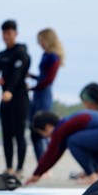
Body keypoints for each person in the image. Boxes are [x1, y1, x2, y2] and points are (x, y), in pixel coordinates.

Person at [24, 110, 98, 186]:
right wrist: (39, 173)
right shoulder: (70, 119)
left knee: (72, 141)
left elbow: (53, 152)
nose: (47, 137)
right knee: (90, 143)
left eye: (43, 133)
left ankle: (92, 176)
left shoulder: (61, 128)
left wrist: (37, 173)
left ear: (47, 126)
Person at [0, 19, 32, 177]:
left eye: (9, 33)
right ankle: (9, 167)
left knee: (19, 134)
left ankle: (19, 168)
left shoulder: (21, 53)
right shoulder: (1, 55)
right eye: (4, 33)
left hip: (19, 98)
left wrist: (10, 91)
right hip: (4, 100)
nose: (6, 36)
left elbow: (17, 74)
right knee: (6, 134)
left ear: (15, 33)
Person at [28, 28, 64, 160]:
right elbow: (43, 78)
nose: (40, 44)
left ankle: (48, 160)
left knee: (44, 129)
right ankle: (41, 161)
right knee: (35, 129)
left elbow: (49, 80)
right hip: (38, 94)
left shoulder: (54, 57)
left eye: (41, 41)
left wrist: (32, 88)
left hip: (44, 95)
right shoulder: (45, 55)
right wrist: (32, 77)